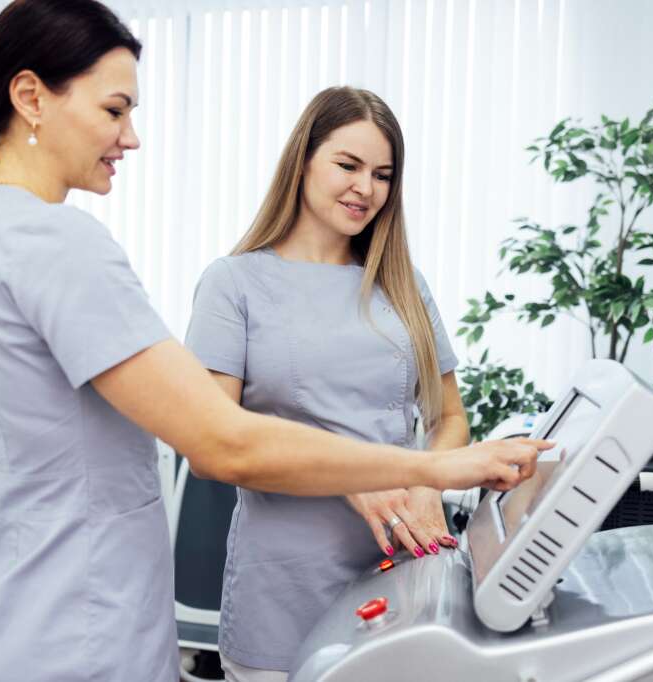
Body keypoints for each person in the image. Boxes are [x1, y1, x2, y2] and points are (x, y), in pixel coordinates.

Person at [0, 2, 550, 681]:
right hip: (70, 619)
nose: (130, 137)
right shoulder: (60, 244)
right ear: (30, 98)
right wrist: (429, 469)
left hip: (22, 608)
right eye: (115, 110)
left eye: (383, 175)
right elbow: (225, 440)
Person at [185, 86, 484, 680]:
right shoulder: (233, 285)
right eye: (347, 165)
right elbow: (209, 451)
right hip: (285, 589)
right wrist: (354, 476)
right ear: (303, 160)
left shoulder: (403, 284)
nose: (365, 188)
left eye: (382, 174)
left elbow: (449, 419)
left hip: (406, 571)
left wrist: (426, 485)